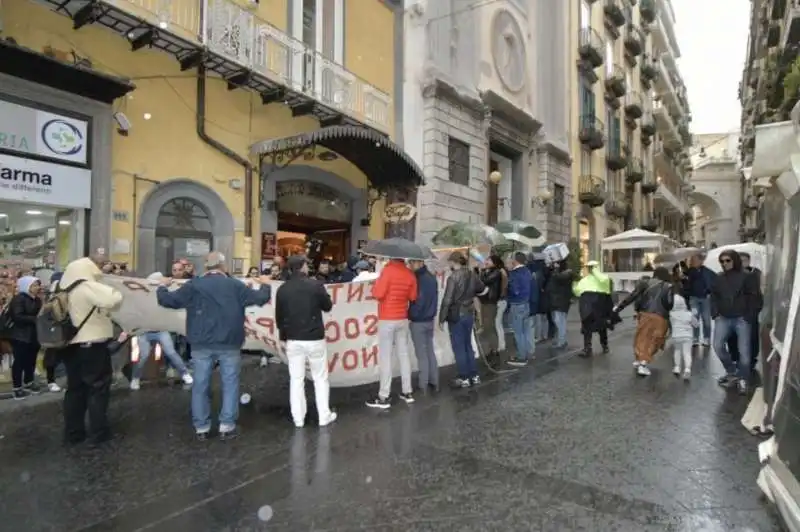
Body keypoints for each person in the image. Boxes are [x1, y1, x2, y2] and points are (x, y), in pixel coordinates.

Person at [156, 251, 272, 440]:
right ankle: (227, 425)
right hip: (229, 342)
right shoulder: (235, 285)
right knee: (230, 383)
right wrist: (266, 284)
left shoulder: (194, 285)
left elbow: (169, 300)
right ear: (223, 266)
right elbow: (259, 298)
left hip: (201, 343)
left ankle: (201, 427)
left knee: (200, 384)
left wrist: (162, 287)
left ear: (206, 267)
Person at [60, 257, 124, 444]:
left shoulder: (61, 288)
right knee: (98, 389)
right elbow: (115, 298)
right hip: (92, 346)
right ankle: (98, 432)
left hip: (69, 346)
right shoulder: (86, 286)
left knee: (74, 390)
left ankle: (73, 433)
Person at [275, 256, 336, 428]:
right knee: (320, 378)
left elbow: (279, 317)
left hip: (293, 339)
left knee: (296, 379)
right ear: (302, 267)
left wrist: (282, 337)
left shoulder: (283, 289)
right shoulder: (315, 285)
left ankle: (298, 418)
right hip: (315, 338)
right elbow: (328, 306)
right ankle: (324, 415)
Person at [366, 257, 417, 409]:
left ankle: (384, 396)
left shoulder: (387, 271)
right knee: (404, 355)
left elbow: (378, 294)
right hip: (402, 318)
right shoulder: (410, 274)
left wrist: (376, 284)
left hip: (387, 318)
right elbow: (413, 297)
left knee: (386, 357)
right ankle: (407, 392)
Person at [710, 249, 760, 395]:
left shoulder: (748, 276)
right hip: (724, 317)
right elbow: (713, 296)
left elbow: (755, 297)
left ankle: (743, 378)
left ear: (734, 260)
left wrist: (749, 316)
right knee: (718, 346)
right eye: (722, 261)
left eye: (728, 260)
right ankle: (732, 372)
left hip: (741, 318)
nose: (725, 263)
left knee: (744, 352)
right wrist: (715, 314)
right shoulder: (719, 278)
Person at [613, 267, 674, 376]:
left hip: (645, 314)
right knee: (655, 341)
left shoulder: (644, 283)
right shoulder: (668, 286)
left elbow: (632, 296)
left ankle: (638, 359)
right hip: (661, 317)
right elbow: (669, 303)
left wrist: (618, 308)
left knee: (641, 338)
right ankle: (643, 364)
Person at [439, 251, 485, 386]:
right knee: (468, 345)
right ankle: (474, 375)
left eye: (450, 263)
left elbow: (447, 300)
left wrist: (441, 318)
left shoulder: (453, 278)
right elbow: (482, 289)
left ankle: (464, 377)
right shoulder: (472, 274)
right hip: (469, 313)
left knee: (459, 347)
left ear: (454, 262)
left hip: (456, 315)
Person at [8, 276, 43, 399]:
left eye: (37, 285)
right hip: (20, 336)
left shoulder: (37, 300)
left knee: (31, 361)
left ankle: (29, 382)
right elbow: (17, 316)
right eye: (34, 285)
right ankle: (17, 387)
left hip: (34, 336)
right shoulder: (19, 299)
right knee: (20, 362)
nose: (37, 287)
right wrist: (35, 319)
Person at [728, 252, 764, 374]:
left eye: (745, 260)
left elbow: (759, 293)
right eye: (740, 260)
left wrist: (755, 309)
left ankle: (751, 359)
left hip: (750, 311)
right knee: (733, 336)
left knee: (751, 336)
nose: (743, 263)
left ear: (749, 261)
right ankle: (736, 358)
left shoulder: (756, 274)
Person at [407, 258, 439, 391]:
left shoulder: (419, 279)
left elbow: (419, 301)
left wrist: (411, 314)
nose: (409, 265)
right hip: (429, 319)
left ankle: (423, 383)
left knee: (421, 354)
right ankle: (434, 380)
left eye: (411, 263)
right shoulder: (431, 277)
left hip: (419, 320)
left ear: (418, 263)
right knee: (430, 351)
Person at [574, 260, 614, 357]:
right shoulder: (604, 278)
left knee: (589, 327)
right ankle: (604, 346)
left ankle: (588, 348)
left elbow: (577, 292)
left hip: (589, 306)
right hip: (598, 306)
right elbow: (609, 289)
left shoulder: (587, 280)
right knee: (600, 327)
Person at [506, 252, 535, 367]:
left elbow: (514, 290)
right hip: (526, 304)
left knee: (518, 332)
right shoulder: (527, 271)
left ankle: (521, 357)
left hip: (517, 304)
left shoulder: (514, 273)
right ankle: (529, 353)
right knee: (526, 331)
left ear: (515, 260)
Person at [684, 254, 715, 347]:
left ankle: (707, 338)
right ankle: (695, 338)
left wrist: (709, 291)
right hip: (693, 298)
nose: (693, 261)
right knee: (695, 318)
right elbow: (686, 286)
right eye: (692, 260)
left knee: (706, 319)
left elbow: (715, 281)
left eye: (695, 260)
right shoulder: (688, 272)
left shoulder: (707, 271)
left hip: (705, 298)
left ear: (701, 261)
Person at [478, 255, 504, 363]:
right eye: (486, 259)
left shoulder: (497, 272)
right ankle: (490, 349)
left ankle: (495, 351)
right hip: (484, 302)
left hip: (490, 302)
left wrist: (481, 271)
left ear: (494, 262)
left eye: (489, 260)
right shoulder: (488, 271)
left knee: (490, 327)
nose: (486, 261)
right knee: (486, 327)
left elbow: (485, 281)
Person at [670, 282, 697, 380]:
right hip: (687, 336)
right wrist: (694, 315)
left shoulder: (671, 314)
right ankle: (687, 370)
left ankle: (677, 367)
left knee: (677, 351)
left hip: (676, 336)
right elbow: (696, 324)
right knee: (687, 353)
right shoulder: (688, 314)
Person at [546, 260, 574, 349]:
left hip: (559, 301)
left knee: (559, 322)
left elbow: (556, 279)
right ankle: (562, 340)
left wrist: (555, 269)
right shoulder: (565, 274)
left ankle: (561, 342)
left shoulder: (563, 275)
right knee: (560, 321)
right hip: (561, 301)